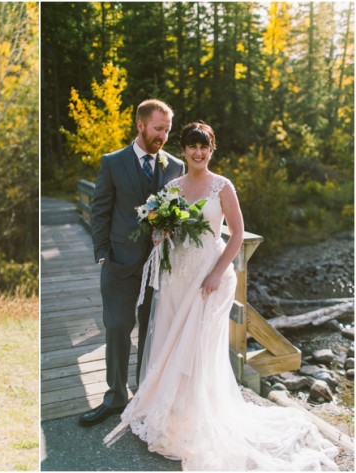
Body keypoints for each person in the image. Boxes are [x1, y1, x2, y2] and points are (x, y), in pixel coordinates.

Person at [120, 122, 339, 470]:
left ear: (211, 149)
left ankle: (199, 412)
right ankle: (173, 407)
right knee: (172, 341)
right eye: (192, 147)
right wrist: (161, 231)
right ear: (183, 150)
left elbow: (236, 235)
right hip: (178, 274)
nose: (198, 153)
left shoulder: (223, 186)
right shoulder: (173, 187)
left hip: (210, 276)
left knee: (199, 345)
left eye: (204, 147)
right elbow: (166, 230)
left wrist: (217, 273)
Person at [81, 99, 185, 427]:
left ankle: (144, 395)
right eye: (158, 129)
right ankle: (114, 397)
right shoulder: (113, 162)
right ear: (140, 125)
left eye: (167, 130)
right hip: (118, 261)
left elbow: (181, 211)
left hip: (158, 266)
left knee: (152, 332)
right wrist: (101, 252)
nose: (163, 136)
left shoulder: (175, 167)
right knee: (116, 327)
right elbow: (100, 209)